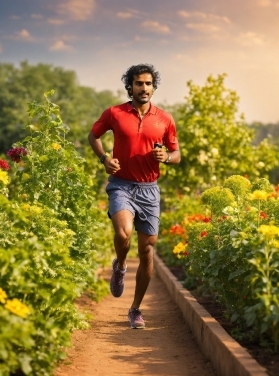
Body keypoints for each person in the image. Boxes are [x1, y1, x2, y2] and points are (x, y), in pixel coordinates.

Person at [88, 64, 181, 329]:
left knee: (148, 250)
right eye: (139, 83)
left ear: (154, 87)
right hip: (121, 185)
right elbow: (93, 136)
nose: (144, 88)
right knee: (123, 233)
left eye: (148, 84)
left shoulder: (165, 119)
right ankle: (120, 266)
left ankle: (135, 309)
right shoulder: (115, 113)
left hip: (149, 189)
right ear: (130, 86)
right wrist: (105, 158)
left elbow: (177, 154)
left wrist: (167, 157)